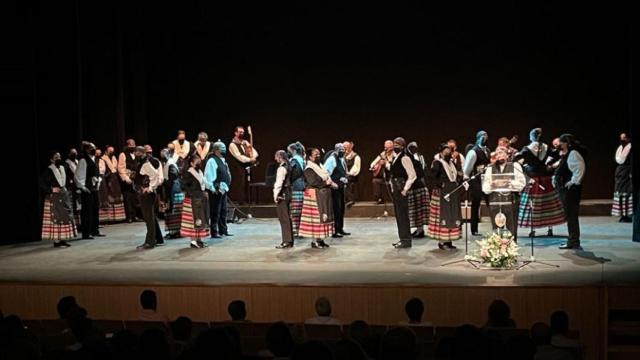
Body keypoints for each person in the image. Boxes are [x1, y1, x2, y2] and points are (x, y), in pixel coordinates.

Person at [515, 128, 566, 237]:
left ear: (531, 136)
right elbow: (557, 155)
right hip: (545, 177)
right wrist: (549, 164)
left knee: (532, 204)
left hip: (533, 178)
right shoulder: (546, 147)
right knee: (549, 203)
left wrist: (525, 166)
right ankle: (550, 228)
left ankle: (533, 229)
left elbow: (515, 158)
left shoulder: (526, 149)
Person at [482, 146, 526, 241]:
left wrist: (508, 183)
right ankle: (497, 251)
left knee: (511, 229)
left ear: (507, 154)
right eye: (497, 153)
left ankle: (511, 251)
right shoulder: (490, 168)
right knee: (496, 230)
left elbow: (522, 184)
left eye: (501, 153)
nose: (499, 155)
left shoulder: (515, 166)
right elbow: (485, 188)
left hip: (511, 202)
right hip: (495, 202)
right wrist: (493, 185)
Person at [299, 147, 337, 248]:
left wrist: (330, 183)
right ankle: (315, 240)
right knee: (316, 219)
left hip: (322, 195)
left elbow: (325, 176)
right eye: (316, 154)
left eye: (319, 154)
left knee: (323, 217)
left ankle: (321, 239)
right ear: (310, 156)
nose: (318, 156)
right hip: (314, 197)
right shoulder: (309, 168)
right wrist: (326, 183)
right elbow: (313, 182)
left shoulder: (319, 166)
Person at [553, 134, 586, 250]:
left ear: (566, 143)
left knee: (571, 215)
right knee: (569, 215)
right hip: (566, 190)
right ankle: (572, 240)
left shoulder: (573, 153)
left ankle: (574, 241)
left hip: (570, 191)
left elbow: (580, 168)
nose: (559, 146)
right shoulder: (567, 154)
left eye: (560, 143)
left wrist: (572, 182)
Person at [427, 143, 462, 249]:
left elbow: (456, 176)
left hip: (452, 193)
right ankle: (442, 241)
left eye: (449, 151)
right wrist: (440, 185)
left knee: (452, 215)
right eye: (445, 151)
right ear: (441, 152)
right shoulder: (437, 163)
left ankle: (449, 240)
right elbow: (431, 177)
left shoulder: (452, 163)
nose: (448, 153)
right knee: (443, 216)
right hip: (441, 193)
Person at [40, 151, 76, 247]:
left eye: (59, 156)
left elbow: (67, 180)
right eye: (56, 157)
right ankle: (57, 241)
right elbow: (41, 183)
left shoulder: (63, 168)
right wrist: (51, 189)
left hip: (63, 196)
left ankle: (63, 239)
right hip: (54, 198)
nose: (58, 159)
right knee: (56, 218)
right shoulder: (49, 170)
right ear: (51, 160)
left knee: (64, 217)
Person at [387, 137, 417, 249]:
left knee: (403, 216)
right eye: (394, 143)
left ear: (403, 146)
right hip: (396, 189)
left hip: (401, 190)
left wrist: (405, 189)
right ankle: (402, 238)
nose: (395, 146)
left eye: (397, 144)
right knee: (399, 215)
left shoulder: (405, 158)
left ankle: (406, 240)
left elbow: (412, 175)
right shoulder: (396, 157)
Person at [134, 146, 164, 250]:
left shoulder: (146, 163)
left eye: (136, 152)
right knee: (150, 217)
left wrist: (150, 188)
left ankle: (150, 242)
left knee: (149, 218)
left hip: (147, 194)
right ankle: (155, 239)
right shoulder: (143, 162)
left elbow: (155, 175)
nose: (134, 154)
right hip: (145, 193)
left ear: (140, 153)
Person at [463, 130, 491, 235]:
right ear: (479, 137)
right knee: (476, 204)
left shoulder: (487, 150)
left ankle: (497, 225)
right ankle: (474, 229)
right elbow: (467, 169)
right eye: (484, 136)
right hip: (476, 181)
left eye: (486, 136)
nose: (486, 138)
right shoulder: (473, 151)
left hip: (486, 180)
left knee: (490, 202)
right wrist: (467, 179)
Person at [75, 142, 105, 239]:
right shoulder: (83, 160)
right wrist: (83, 187)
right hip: (87, 189)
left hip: (94, 188)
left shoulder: (94, 159)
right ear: (87, 150)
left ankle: (95, 230)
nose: (94, 149)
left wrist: (98, 182)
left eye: (94, 148)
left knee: (95, 209)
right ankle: (86, 233)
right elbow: (79, 175)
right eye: (92, 148)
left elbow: (96, 173)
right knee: (87, 211)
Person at [204, 141, 233, 239]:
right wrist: (213, 188)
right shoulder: (212, 161)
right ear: (216, 150)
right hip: (216, 190)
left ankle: (223, 230)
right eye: (222, 148)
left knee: (224, 210)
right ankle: (214, 232)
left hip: (223, 189)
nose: (224, 150)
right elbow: (208, 177)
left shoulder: (223, 160)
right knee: (215, 211)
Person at [181, 156, 210, 248]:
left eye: (199, 162)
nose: (199, 164)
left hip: (200, 198)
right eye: (197, 162)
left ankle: (199, 239)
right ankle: (193, 240)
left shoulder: (200, 172)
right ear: (191, 163)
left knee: (201, 218)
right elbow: (184, 185)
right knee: (193, 219)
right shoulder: (188, 173)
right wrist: (192, 194)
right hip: (192, 199)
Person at [324, 143, 350, 238]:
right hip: (334, 188)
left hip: (341, 187)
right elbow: (326, 172)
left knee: (341, 208)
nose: (342, 152)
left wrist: (345, 178)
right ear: (336, 150)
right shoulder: (332, 159)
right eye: (341, 151)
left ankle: (340, 228)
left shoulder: (342, 159)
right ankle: (335, 230)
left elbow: (344, 171)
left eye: (344, 151)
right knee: (336, 209)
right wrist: (332, 183)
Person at [228, 126, 259, 204]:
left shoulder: (245, 142)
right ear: (235, 133)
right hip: (238, 167)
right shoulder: (232, 144)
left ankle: (250, 199)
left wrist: (253, 157)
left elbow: (254, 151)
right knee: (241, 184)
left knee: (249, 183)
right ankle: (241, 201)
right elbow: (239, 156)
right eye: (240, 132)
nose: (242, 133)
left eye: (243, 132)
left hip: (248, 166)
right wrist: (250, 159)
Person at [406, 141, 429, 238]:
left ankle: (420, 230)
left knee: (419, 209)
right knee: (416, 210)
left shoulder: (419, 157)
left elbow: (421, 171)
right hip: (414, 187)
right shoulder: (408, 158)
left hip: (418, 186)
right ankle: (419, 229)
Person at [97, 146, 126, 223]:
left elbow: (116, 168)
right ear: (106, 151)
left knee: (117, 196)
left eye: (112, 151)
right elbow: (102, 171)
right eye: (110, 151)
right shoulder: (103, 159)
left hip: (115, 179)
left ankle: (117, 217)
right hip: (107, 179)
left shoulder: (113, 158)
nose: (112, 153)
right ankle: (108, 218)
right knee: (108, 197)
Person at [273, 150, 294, 249]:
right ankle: (289, 240)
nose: (275, 158)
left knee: (283, 218)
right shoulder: (288, 166)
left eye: (276, 156)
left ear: (280, 157)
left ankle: (286, 241)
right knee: (287, 217)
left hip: (283, 193)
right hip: (289, 192)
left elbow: (279, 183)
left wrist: (276, 195)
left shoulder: (282, 168)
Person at [161, 146, 183, 239]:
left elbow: (173, 177)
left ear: (168, 155)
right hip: (171, 189)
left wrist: (165, 183)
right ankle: (172, 231)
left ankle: (176, 231)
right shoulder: (167, 163)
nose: (163, 156)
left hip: (174, 190)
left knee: (175, 211)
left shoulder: (170, 164)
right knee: (170, 210)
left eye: (164, 154)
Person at [118, 139, 142, 223]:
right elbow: (121, 168)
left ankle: (134, 215)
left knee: (134, 198)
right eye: (130, 146)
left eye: (133, 146)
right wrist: (126, 178)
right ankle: (129, 216)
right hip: (127, 179)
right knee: (127, 198)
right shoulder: (123, 154)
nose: (132, 147)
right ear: (127, 146)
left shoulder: (136, 154)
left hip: (135, 179)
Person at [612, 132, 632, 222]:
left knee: (626, 194)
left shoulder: (631, 148)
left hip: (627, 173)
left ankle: (628, 215)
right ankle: (622, 215)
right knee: (619, 193)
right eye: (621, 138)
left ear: (628, 139)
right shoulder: (620, 148)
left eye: (624, 138)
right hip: (620, 173)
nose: (622, 140)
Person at [288, 142, 306, 238]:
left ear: (293, 151)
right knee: (301, 211)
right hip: (302, 186)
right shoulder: (302, 159)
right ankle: (300, 230)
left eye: (289, 151)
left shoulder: (294, 161)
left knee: (295, 211)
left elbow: (293, 174)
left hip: (296, 187)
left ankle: (296, 231)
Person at [369, 140, 394, 204]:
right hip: (383, 177)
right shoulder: (383, 154)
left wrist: (386, 162)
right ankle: (379, 198)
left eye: (387, 148)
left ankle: (395, 198)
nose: (385, 149)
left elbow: (392, 168)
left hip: (393, 176)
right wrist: (378, 164)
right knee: (375, 181)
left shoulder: (395, 155)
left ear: (392, 148)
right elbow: (372, 164)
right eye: (385, 147)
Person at [343, 141, 361, 207]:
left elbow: (356, 168)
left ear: (350, 147)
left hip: (352, 175)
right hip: (344, 174)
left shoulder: (356, 156)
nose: (345, 149)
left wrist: (349, 173)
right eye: (344, 148)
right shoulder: (342, 156)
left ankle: (350, 199)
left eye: (346, 147)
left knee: (346, 180)